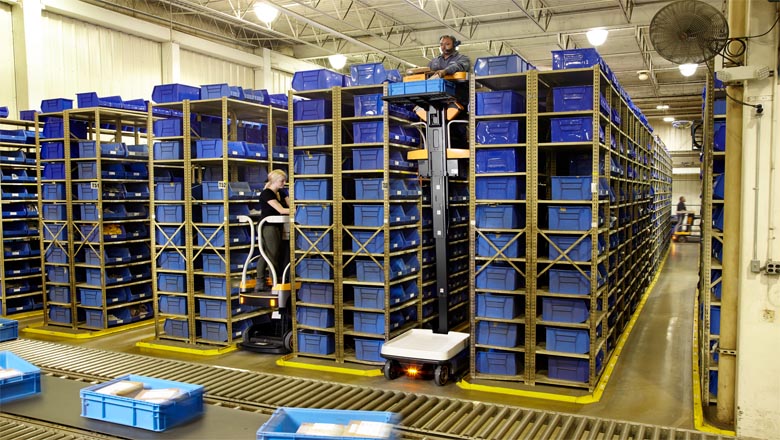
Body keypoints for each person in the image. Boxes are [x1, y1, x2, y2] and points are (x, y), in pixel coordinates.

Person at [414, 35, 471, 121]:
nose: (443, 47)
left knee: (457, 126)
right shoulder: (434, 61)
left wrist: (445, 71)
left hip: (457, 100)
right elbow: (426, 73)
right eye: (441, 44)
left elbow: (459, 66)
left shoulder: (462, 58)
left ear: (454, 44)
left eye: (447, 44)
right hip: (436, 100)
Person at [256, 169, 290, 292]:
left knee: (268, 253)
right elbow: (281, 210)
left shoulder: (281, 192)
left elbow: (291, 205)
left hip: (277, 225)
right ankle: (273, 281)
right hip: (268, 226)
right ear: (274, 181)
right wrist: (300, 210)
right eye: (282, 181)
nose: (284, 183)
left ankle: (262, 282)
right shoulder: (267, 194)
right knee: (271, 254)